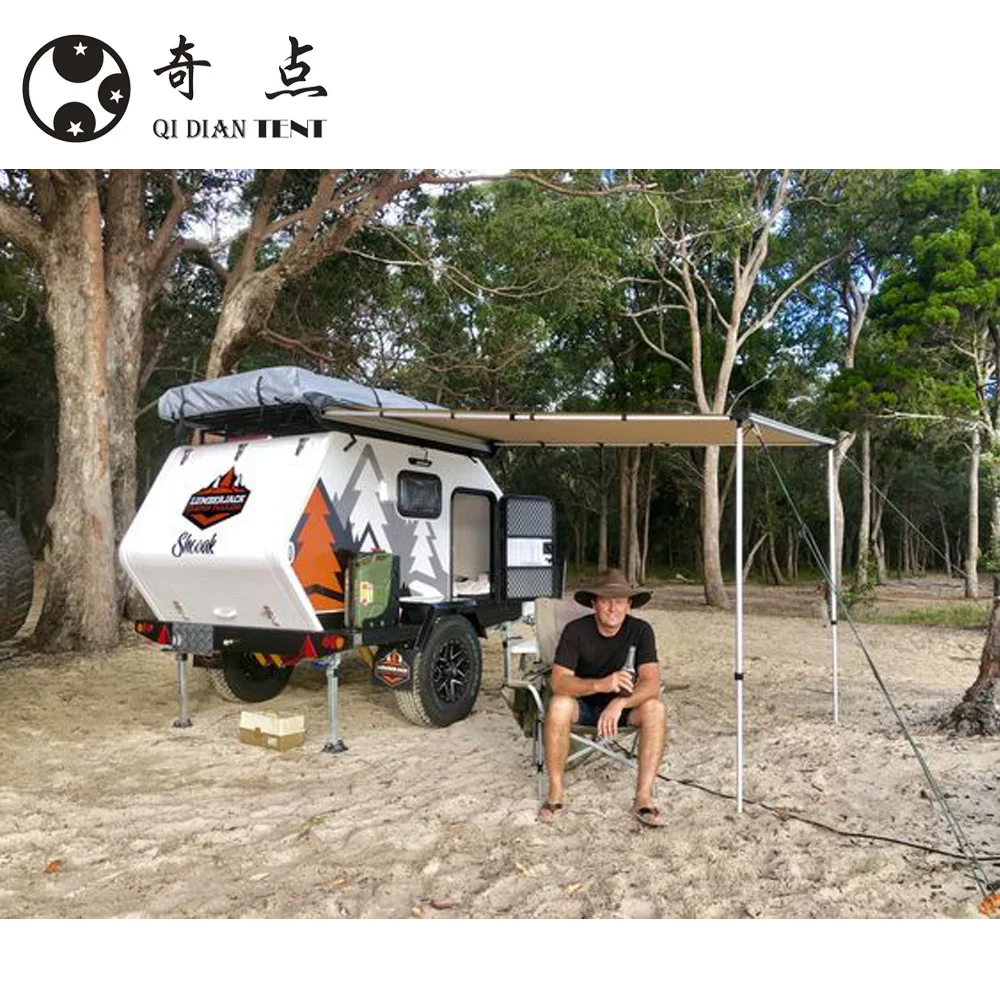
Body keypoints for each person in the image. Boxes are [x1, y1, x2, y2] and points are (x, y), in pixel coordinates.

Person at [538, 569, 667, 827]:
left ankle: (643, 796)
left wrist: (620, 702)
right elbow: (559, 682)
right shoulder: (576, 631)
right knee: (559, 704)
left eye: (619, 601)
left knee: (655, 708)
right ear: (594, 604)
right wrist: (601, 684)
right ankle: (556, 791)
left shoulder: (641, 631)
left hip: (623, 710)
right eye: (606, 600)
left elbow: (651, 683)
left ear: (629, 605)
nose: (612, 608)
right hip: (583, 706)